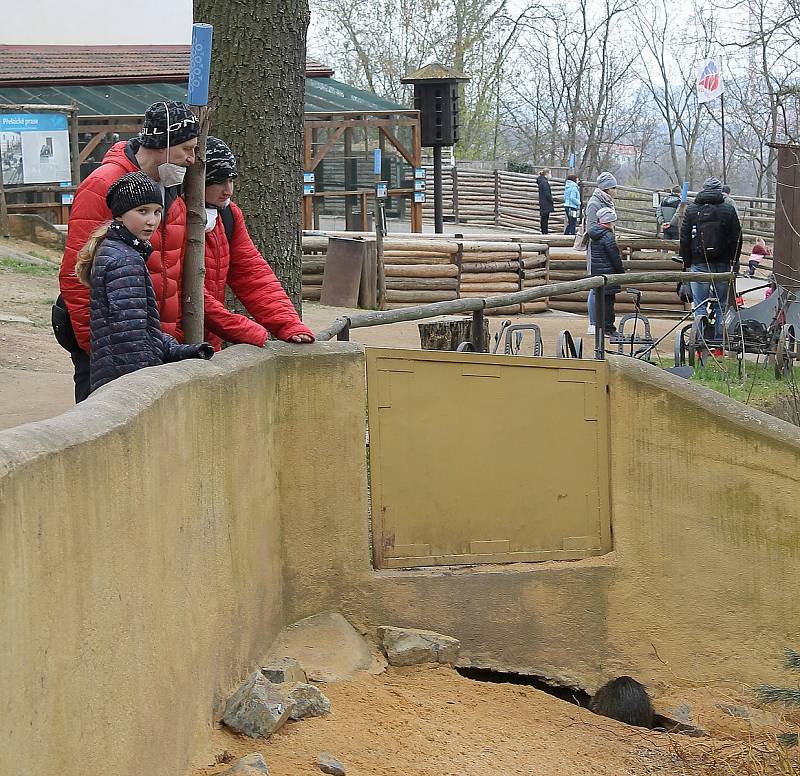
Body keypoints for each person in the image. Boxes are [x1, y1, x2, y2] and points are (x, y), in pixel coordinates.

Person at [56, 100, 199, 402]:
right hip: (110, 348)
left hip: (149, 340)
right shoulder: (102, 184)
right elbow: (78, 274)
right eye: (186, 148)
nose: (191, 159)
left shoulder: (171, 186)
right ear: (163, 143)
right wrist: (96, 348)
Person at [74, 172, 212, 393]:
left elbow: (143, 331)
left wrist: (181, 351)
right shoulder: (125, 260)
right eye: (142, 211)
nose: (152, 220)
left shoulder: (120, 250)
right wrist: (146, 387)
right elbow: (131, 341)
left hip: (114, 378)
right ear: (120, 215)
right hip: (126, 386)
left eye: (157, 211)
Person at [202, 137, 315, 348]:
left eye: (231, 180)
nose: (228, 190)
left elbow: (252, 274)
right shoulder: (171, 214)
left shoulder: (228, 215)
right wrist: (244, 330)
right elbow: (183, 290)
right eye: (218, 181)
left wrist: (288, 324)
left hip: (205, 343)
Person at [679, 176, 742, 347]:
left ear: (703, 188)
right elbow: (737, 237)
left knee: (700, 303)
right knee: (721, 304)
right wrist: (734, 260)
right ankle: (719, 340)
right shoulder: (728, 210)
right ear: (720, 190)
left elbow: (684, 238)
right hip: (722, 263)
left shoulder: (692, 210)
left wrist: (686, 262)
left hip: (698, 263)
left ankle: (699, 340)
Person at [585, 172, 618, 335]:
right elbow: (591, 229)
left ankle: (602, 322)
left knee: (603, 287)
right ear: (606, 188)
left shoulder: (607, 202)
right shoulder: (594, 204)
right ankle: (593, 322)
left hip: (605, 247)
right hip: (598, 250)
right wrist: (606, 236)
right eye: (613, 187)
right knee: (594, 286)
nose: (615, 190)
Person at [588, 207, 624, 336]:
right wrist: (621, 272)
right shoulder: (608, 236)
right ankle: (608, 328)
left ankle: (600, 326)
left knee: (601, 302)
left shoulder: (595, 234)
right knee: (608, 303)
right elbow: (615, 257)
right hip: (608, 273)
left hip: (598, 271)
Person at [537, 168, 554, 234]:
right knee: (545, 218)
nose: (550, 175)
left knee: (544, 217)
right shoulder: (544, 182)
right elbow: (547, 193)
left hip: (542, 202)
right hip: (546, 203)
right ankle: (545, 231)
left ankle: (543, 231)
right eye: (550, 173)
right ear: (546, 174)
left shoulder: (541, 181)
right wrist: (551, 200)